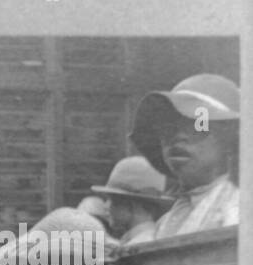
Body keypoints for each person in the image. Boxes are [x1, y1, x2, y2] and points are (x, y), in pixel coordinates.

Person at [129, 73, 240, 238]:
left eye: (198, 126)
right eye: (168, 128)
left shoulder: (239, 212)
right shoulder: (167, 223)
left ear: (229, 139)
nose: (177, 136)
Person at [91, 156, 172, 248]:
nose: (106, 206)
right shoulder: (146, 239)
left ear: (132, 204)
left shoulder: (140, 245)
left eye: (112, 200)